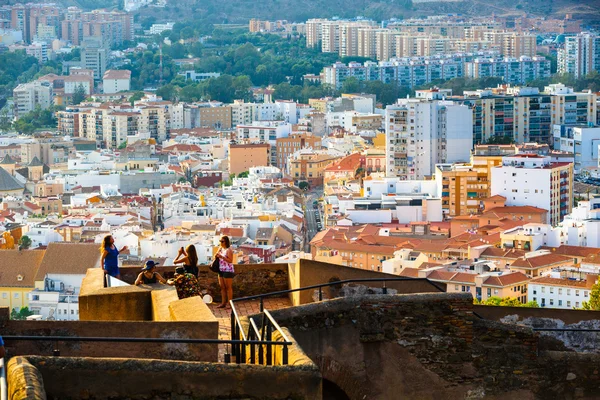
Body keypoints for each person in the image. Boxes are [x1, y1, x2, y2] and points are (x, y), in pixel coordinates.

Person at [215, 235, 235, 308]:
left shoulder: (229, 250)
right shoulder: (220, 249)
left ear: (226, 242)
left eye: (222, 241)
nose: (221, 242)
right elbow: (216, 256)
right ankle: (223, 303)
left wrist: (222, 257)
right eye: (220, 241)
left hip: (228, 269)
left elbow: (230, 260)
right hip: (221, 269)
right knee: (222, 287)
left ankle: (230, 304)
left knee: (228, 287)